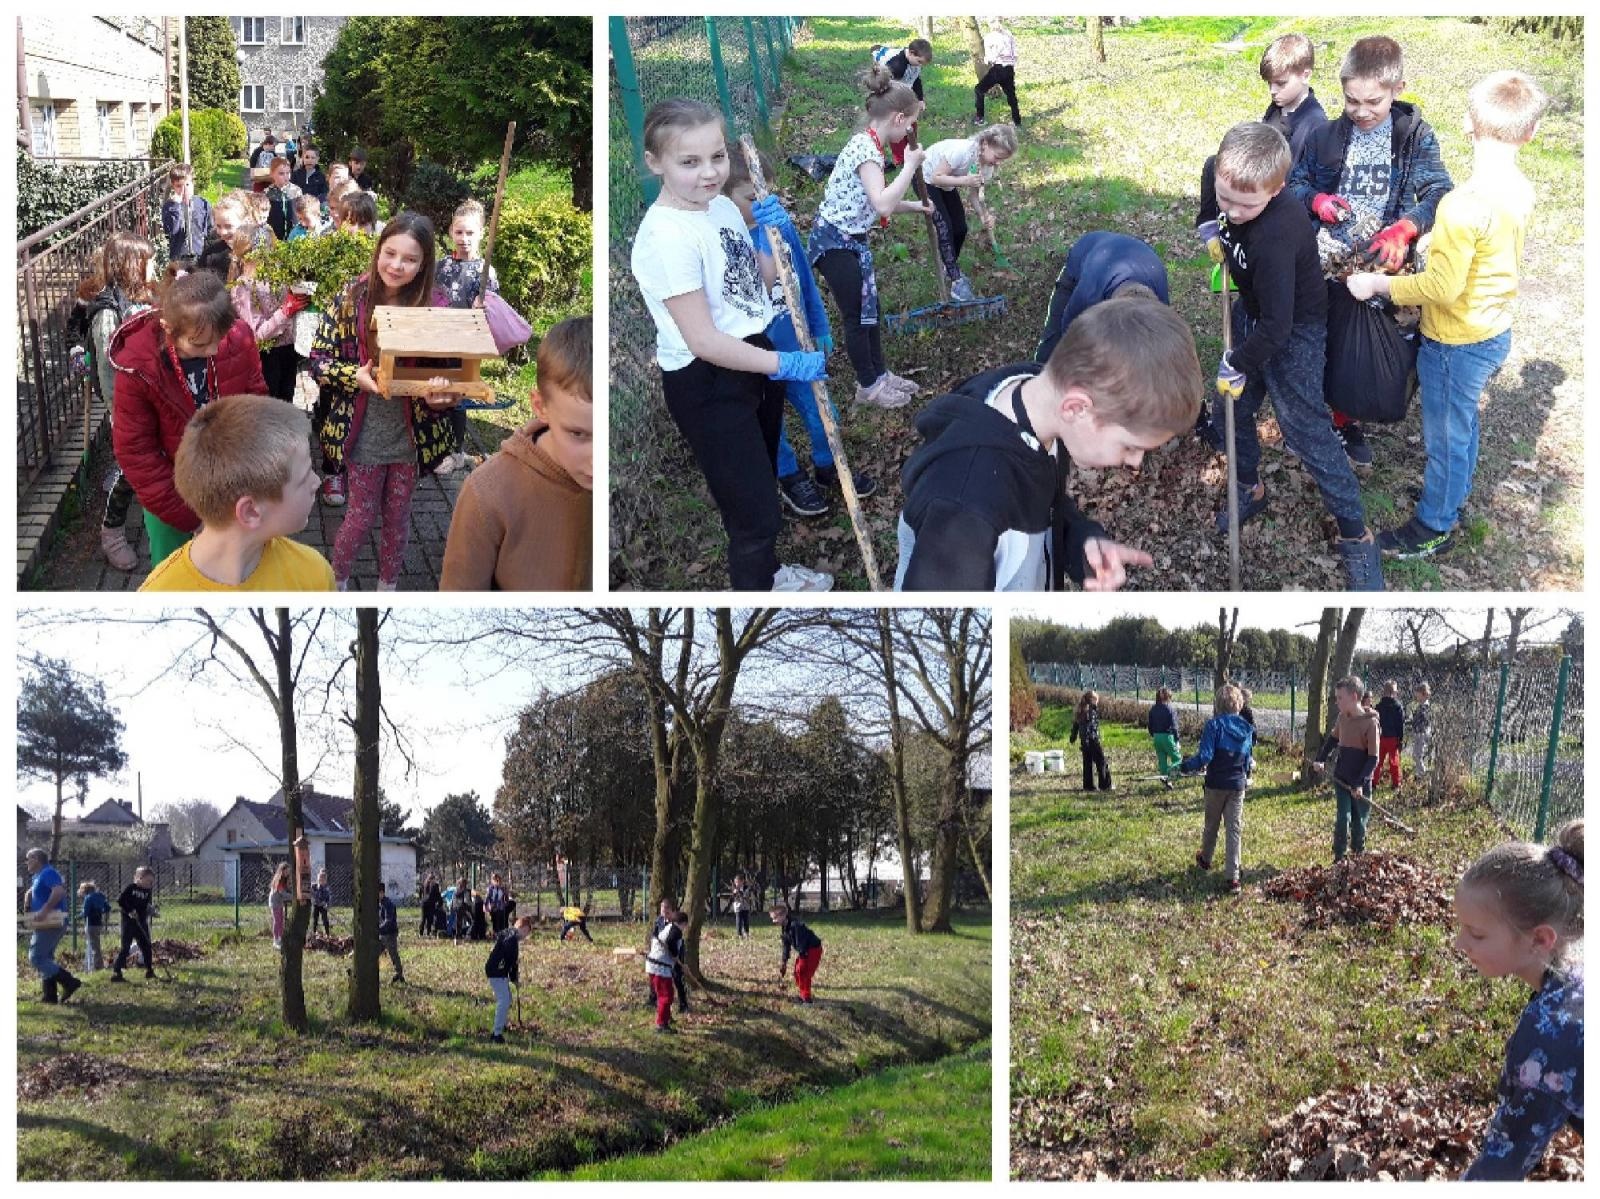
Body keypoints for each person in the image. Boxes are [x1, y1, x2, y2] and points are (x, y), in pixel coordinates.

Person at [629, 98, 833, 591]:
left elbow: (752, 285)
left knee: (760, 477)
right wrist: (783, 362)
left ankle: (769, 572)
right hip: (710, 383)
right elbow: (703, 340)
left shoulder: (720, 207)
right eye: (689, 162)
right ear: (655, 164)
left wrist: (769, 236)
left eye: (717, 157)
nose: (709, 174)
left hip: (752, 358)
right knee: (754, 516)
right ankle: (757, 593)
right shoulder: (666, 238)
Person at [1346, 70, 1545, 557]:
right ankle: (1452, 495)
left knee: (1446, 436)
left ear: (1466, 124)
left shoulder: (1461, 205)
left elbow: (1441, 286)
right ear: (1531, 133)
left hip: (1456, 340)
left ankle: (1435, 524)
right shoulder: (1519, 189)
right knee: (1464, 426)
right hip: (1493, 329)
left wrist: (1377, 283)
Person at [896, 296, 1199, 591]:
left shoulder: (1040, 407)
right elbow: (950, 631)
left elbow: (1039, 505)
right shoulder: (965, 508)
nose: (1135, 462)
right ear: (1077, 408)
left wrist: (1081, 541)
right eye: (1131, 446)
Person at [1209, 121, 1385, 590]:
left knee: (1306, 431)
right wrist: (1213, 225)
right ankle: (1249, 487)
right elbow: (1215, 199)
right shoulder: (1222, 179)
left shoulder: (1277, 235)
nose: (1233, 210)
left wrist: (1239, 361)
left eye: (1244, 204)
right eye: (1225, 197)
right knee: (1231, 408)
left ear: (1278, 187)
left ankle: (1357, 536)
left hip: (1294, 334)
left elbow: (1278, 328)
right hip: (1254, 314)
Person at [1289, 35, 1453, 470]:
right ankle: (1330, 419)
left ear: (1397, 88)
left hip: (1379, 260)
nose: (1361, 112)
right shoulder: (1326, 135)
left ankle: (1349, 416)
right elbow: (1295, 184)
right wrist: (1317, 201)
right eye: (1351, 100)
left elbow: (1439, 192)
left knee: (1358, 346)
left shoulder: (1413, 136)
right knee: (1322, 341)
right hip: (1327, 259)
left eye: (1373, 102)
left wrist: (1406, 227)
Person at [309, 211, 458, 590]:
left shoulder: (435, 307)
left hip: (411, 438)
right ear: (378, 250)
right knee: (359, 516)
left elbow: (452, 374)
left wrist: (442, 398)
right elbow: (320, 360)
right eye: (390, 253)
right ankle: (335, 582)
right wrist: (353, 377)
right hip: (363, 434)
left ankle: (388, 586)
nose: (397, 265)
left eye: (410, 259)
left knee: (397, 516)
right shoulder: (351, 297)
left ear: (424, 264)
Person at [721, 151, 873, 518]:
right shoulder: (723, 236)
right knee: (768, 419)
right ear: (721, 198)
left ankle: (828, 466)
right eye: (750, 198)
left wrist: (818, 325)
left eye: (767, 195)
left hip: (794, 339)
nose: (762, 204)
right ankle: (789, 475)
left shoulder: (779, 223)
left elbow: (803, 276)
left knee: (821, 408)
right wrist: (757, 241)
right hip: (752, 351)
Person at [110, 269, 269, 569]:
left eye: (218, 340)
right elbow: (136, 452)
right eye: (198, 345)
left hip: (229, 483)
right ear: (168, 328)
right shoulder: (138, 368)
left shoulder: (238, 336)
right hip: (170, 494)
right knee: (175, 571)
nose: (211, 351)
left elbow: (255, 400)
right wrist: (189, 518)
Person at [1453, 820, 1583, 1179]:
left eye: (1476, 934)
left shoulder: (1551, 1038)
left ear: (1540, 940)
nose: (1459, 945)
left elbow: (1498, 1171)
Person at [809, 68, 932, 409]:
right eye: (910, 125)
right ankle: (868, 386)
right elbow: (881, 201)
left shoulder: (870, 144)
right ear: (898, 117)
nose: (910, 132)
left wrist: (916, 206)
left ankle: (880, 373)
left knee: (870, 311)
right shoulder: (867, 150)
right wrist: (909, 166)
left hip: (851, 239)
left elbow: (876, 200)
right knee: (856, 315)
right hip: (833, 242)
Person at [140, 394, 330, 591]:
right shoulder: (159, 593)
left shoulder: (315, 573)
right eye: (305, 476)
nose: (316, 482)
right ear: (250, 512)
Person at [74, 231, 156, 572]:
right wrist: (121, 412)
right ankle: (112, 532)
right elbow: (110, 371)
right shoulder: (107, 312)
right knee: (130, 470)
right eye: (148, 261)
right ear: (131, 265)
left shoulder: (142, 295)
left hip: (153, 396)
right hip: (128, 406)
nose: (153, 266)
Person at [433, 199, 501, 475]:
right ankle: (434, 445)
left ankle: (456, 451)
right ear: (451, 232)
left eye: (470, 233)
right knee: (436, 391)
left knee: (457, 397)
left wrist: (483, 307)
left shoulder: (485, 271)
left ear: (482, 234)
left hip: (467, 344)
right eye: (459, 232)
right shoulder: (442, 266)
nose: (464, 239)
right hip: (439, 339)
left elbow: (495, 309)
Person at [1034, 232, 1170, 364]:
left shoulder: (1159, 301)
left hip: (1130, 254)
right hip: (1086, 254)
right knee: (1052, 350)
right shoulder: (1089, 293)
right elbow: (1069, 333)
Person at [922, 124, 1018, 302]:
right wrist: (964, 180)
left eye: (1002, 160)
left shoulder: (987, 167)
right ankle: (956, 279)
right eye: (997, 157)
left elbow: (974, 195)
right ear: (984, 144)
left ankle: (948, 264)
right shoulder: (962, 152)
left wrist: (984, 215)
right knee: (945, 227)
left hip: (948, 183)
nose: (997, 163)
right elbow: (936, 177)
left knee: (960, 228)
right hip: (926, 177)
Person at [1180, 684, 1256, 893]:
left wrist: (1186, 766)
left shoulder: (1213, 726)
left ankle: (1205, 859)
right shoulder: (1248, 729)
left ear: (1218, 704)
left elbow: (1205, 757)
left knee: (1211, 825)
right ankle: (1233, 877)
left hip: (1216, 784)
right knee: (1234, 829)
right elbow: (1248, 760)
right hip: (1238, 785)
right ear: (1239, 705)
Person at [225, 222, 309, 402]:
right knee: (270, 403)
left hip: (288, 350)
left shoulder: (277, 279)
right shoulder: (243, 287)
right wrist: (286, 311)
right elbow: (255, 335)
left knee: (286, 399)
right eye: (266, 254)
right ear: (250, 255)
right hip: (266, 357)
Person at [1311, 675, 1381, 861]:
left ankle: (1358, 855)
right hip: (1342, 778)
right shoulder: (1343, 718)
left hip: (1361, 783)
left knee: (1359, 823)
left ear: (1354, 697)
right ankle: (1339, 857)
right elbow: (1332, 740)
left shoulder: (1371, 723)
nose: (1337, 702)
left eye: (1340, 698)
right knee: (1343, 818)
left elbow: (1373, 759)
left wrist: (1360, 783)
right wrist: (1321, 759)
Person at [24, 848, 79, 1003]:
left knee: (36, 957)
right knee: (46, 957)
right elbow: (35, 889)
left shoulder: (48, 872)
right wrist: (28, 896)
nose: (26, 862)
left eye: (28, 859)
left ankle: (70, 982)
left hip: (51, 921)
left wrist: (44, 910)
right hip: (45, 922)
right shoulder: (38, 875)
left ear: (36, 859)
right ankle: (49, 996)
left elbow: (59, 892)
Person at [485, 914, 534, 1042]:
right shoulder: (512, 939)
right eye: (527, 933)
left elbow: (511, 961)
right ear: (523, 928)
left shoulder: (509, 933)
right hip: (497, 972)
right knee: (504, 1000)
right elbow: (511, 961)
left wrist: (512, 975)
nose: (526, 936)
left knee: (506, 998)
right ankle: (496, 1034)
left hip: (496, 969)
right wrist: (514, 979)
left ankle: (501, 1025)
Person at [109, 864, 157, 982]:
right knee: (125, 948)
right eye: (148, 881)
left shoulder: (147, 891)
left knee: (146, 946)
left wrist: (149, 911)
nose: (150, 884)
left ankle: (149, 970)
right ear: (140, 878)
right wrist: (130, 911)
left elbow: (145, 905)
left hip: (141, 922)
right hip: (129, 923)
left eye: (152, 882)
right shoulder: (131, 888)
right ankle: (117, 972)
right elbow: (120, 901)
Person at [646, 909, 689, 1032]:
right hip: (660, 966)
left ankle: (666, 1017)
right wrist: (675, 956)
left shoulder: (669, 927)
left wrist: (680, 964)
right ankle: (661, 1024)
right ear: (683, 923)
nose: (685, 927)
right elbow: (670, 943)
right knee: (666, 995)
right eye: (686, 925)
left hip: (653, 964)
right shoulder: (676, 931)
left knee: (664, 994)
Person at [974, 18, 1022, 126]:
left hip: (998, 69)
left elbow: (991, 57)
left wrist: (986, 60)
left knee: (979, 90)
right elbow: (1015, 53)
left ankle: (980, 118)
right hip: (1009, 69)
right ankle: (1017, 120)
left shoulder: (990, 37)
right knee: (1011, 95)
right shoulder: (1009, 34)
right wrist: (1011, 63)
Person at [161, 164, 213, 262]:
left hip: (200, 254)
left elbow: (210, 228)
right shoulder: (170, 207)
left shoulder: (203, 204)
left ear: (193, 183)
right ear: (173, 186)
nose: (184, 190)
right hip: (179, 257)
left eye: (187, 185)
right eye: (179, 186)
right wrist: (176, 209)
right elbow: (173, 231)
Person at [773, 906, 823, 1004]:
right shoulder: (785, 928)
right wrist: (784, 962)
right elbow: (786, 946)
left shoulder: (796, 925)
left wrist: (803, 957)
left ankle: (807, 999)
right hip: (804, 951)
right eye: (772, 918)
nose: (773, 921)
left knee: (803, 973)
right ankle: (803, 995)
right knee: (797, 973)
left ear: (784, 916)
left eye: (775, 918)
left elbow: (802, 943)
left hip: (813, 949)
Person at [1069, 689, 1112, 792]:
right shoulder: (1091, 711)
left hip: (1084, 741)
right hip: (1093, 740)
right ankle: (1105, 785)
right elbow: (1090, 727)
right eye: (1096, 700)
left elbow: (1076, 726)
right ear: (1092, 700)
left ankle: (1088, 786)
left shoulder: (1080, 711)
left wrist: (1073, 738)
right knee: (1101, 762)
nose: (1097, 702)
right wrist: (1094, 739)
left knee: (1087, 764)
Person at [871, 38, 932, 103]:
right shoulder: (897, 66)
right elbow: (886, 86)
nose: (920, 65)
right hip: (885, 66)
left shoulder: (914, 62)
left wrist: (920, 99)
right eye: (919, 61)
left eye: (922, 63)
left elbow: (916, 80)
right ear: (911, 53)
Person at [262, 158, 304, 243]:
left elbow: (301, 211)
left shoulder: (296, 191)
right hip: (274, 234)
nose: (286, 176)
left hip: (293, 234)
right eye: (281, 173)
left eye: (288, 173)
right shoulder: (267, 193)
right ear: (272, 174)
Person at [1374, 680, 1406, 789]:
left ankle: (1373, 782)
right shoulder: (1398, 707)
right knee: (1394, 761)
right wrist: (1400, 739)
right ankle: (1396, 783)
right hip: (1393, 738)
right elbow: (1400, 725)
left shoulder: (1378, 706)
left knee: (1378, 761)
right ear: (1393, 692)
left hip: (1381, 737)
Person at [1147, 687, 1181, 789]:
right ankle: (1170, 776)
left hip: (1157, 737)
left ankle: (1164, 777)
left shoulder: (1153, 709)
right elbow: (1174, 725)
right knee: (1178, 759)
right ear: (1168, 697)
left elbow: (1150, 725)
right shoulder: (1170, 708)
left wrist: (1153, 734)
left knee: (1162, 760)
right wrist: (1177, 739)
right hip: (1168, 736)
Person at [79, 880, 112, 971]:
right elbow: (108, 908)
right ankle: (89, 964)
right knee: (94, 944)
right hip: (98, 924)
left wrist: (78, 916)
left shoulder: (88, 898)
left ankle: (97, 966)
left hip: (90, 924)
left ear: (85, 891)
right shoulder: (101, 897)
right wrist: (101, 911)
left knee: (93, 946)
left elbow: (85, 912)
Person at [377, 881, 404, 983]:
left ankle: (399, 974)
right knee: (374, 953)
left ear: (382, 892)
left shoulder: (388, 904)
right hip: (382, 934)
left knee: (393, 954)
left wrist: (378, 929)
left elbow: (388, 921)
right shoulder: (380, 904)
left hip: (390, 934)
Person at [1410, 682, 1433, 780]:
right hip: (1419, 732)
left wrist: (1413, 721)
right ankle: (1419, 773)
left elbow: (1423, 720)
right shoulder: (1421, 706)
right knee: (1416, 754)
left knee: (1417, 755)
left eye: (1417, 695)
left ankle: (1422, 775)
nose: (1416, 697)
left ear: (1423, 694)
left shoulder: (1425, 707)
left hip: (1422, 733)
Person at [268, 862, 292, 949]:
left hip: (280, 902)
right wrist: (294, 897)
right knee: (277, 921)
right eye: (286, 871)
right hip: (274, 902)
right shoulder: (278, 880)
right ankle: (275, 940)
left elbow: (287, 891)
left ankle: (280, 938)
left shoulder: (285, 880)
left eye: (288, 872)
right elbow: (283, 893)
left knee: (281, 921)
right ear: (282, 871)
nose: (287, 873)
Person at [730, 873, 755, 938]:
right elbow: (732, 897)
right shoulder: (734, 888)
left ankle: (746, 933)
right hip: (738, 907)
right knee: (739, 920)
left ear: (742, 881)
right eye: (735, 882)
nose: (737, 883)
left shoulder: (746, 888)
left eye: (738, 882)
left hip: (745, 907)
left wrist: (743, 894)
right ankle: (739, 934)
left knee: (746, 920)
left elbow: (748, 895)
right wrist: (734, 893)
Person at [310, 868, 332, 936]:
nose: (321, 881)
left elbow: (328, 898)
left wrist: (326, 904)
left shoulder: (326, 889)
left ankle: (327, 933)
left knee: (325, 919)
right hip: (316, 905)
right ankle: (313, 932)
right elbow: (310, 891)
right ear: (317, 879)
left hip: (323, 906)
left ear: (325, 881)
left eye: (323, 880)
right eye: (319, 879)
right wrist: (311, 891)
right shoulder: (314, 886)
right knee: (315, 918)